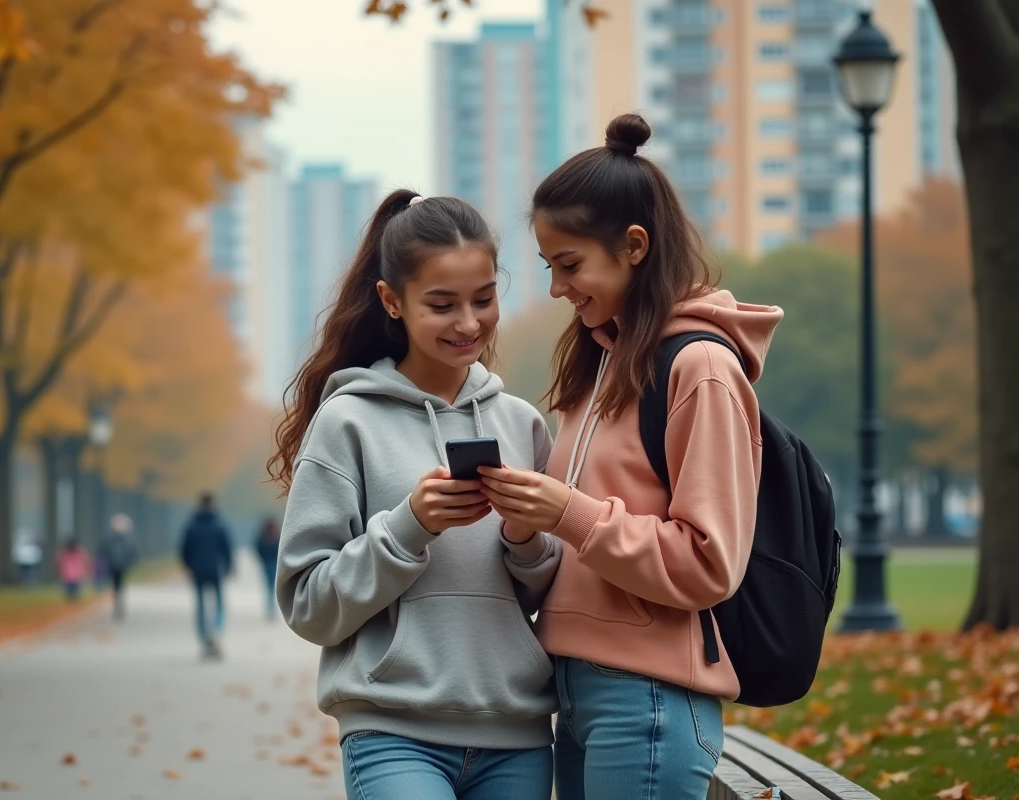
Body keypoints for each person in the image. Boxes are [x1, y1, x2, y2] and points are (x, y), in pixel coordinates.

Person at [477, 114, 781, 800]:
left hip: (649, 700)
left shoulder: (699, 366)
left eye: (569, 264)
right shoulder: (600, 366)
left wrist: (572, 514)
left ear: (634, 245)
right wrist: (525, 523)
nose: (558, 288)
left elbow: (710, 561)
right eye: (550, 267)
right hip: (574, 693)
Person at [270, 190, 561, 800]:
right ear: (391, 301)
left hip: (518, 734)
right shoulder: (347, 422)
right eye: (441, 304)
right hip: (392, 730)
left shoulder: (519, 423)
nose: (468, 323)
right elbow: (308, 606)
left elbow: (544, 593)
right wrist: (408, 528)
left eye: (484, 299)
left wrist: (524, 537)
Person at [179, 493, 233, 658]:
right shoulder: (219, 524)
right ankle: (216, 631)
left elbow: (184, 550)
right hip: (216, 569)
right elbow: (227, 548)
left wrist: (188, 566)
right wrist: (229, 567)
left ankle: (204, 637)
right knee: (219, 603)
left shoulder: (191, 525)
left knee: (201, 605)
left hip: (197, 570)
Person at [100, 513, 139, 621]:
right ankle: (118, 601)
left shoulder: (110, 537)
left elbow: (103, 550)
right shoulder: (125, 538)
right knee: (118, 585)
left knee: (117, 585)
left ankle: (118, 601)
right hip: (117, 565)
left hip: (119, 565)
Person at [253, 516, 280, 621]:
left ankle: (270, 608)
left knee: (269, 587)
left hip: (268, 563)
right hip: (272, 563)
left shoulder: (263, 537)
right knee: (271, 586)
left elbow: (258, 548)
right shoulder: (276, 537)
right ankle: (271, 608)